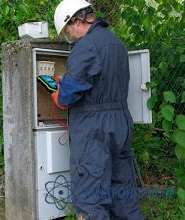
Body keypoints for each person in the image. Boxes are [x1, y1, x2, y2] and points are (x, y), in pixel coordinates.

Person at [51, 0, 144, 219]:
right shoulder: (116, 43)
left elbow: (66, 97)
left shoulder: (86, 46)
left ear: (76, 20)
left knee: (90, 198)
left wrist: (56, 88)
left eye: (68, 31)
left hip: (94, 129)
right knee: (123, 194)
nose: (70, 37)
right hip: (120, 123)